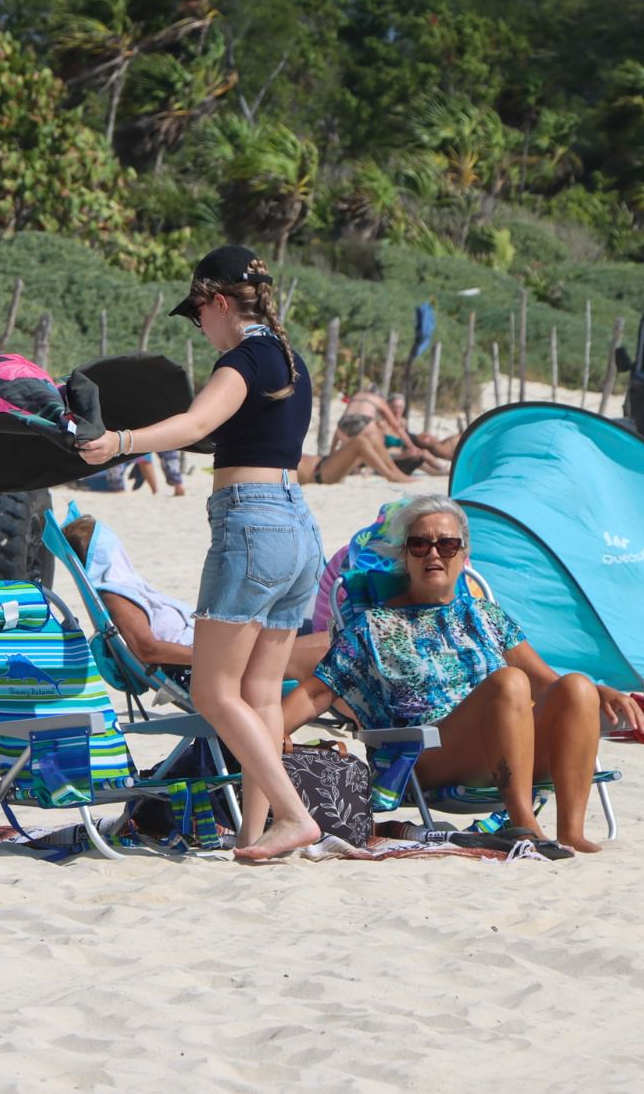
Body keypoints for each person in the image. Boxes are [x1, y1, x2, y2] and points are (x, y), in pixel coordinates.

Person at [76, 244, 323, 860]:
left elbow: (191, 427)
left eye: (198, 315)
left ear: (218, 302)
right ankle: (255, 833)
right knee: (262, 692)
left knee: (216, 691)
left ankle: (292, 816)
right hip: (299, 528)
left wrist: (119, 443)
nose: (200, 327)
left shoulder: (245, 359)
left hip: (253, 525)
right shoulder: (291, 361)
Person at [279, 494, 644, 854]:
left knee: (578, 686)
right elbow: (316, 693)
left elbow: (546, 681)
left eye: (447, 544)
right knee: (508, 682)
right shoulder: (372, 625)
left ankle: (571, 831)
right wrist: (271, 730)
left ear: (463, 554)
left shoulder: (486, 615)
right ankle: (523, 824)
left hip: (508, 746)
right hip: (427, 753)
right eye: (420, 544)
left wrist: (603, 692)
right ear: (405, 556)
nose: (434, 554)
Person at [61, 514, 330, 680]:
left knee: (330, 640)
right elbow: (147, 649)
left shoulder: (125, 586)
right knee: (323, 653)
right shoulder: (114, 594)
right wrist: (209, 656)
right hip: (204, 661)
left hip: (214, 647)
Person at [298, 417, 422, 486]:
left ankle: (396, 472)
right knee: (360, 442)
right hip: (320, 473)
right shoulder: (280, 464)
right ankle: (391, 476)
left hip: (324, 464)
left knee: (371, 439)